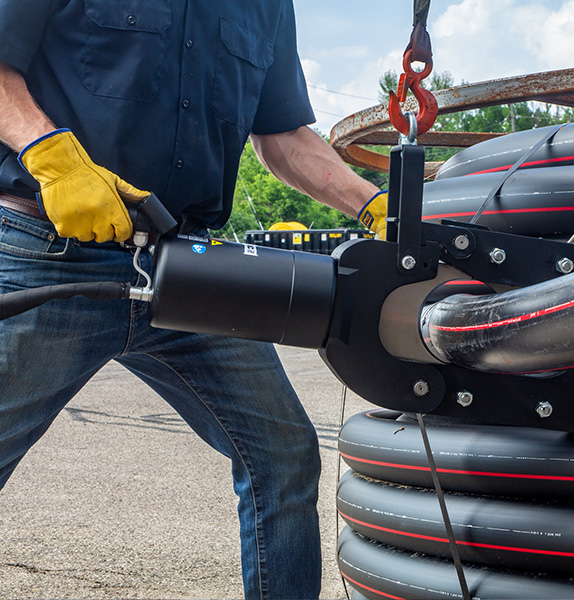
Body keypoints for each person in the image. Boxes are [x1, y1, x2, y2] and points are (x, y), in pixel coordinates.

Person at [0, 1, 387, 598]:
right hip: (49, 251)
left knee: (282, 456)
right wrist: (51, 156)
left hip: (189, 270)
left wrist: (371, 204)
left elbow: (281, 135)